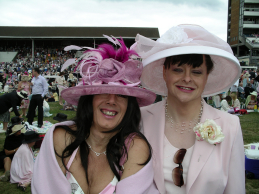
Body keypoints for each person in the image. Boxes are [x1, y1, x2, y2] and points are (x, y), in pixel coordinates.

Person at [32, 36, 159, 194]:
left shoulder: (134, 147)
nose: (112, 100)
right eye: (103, 92)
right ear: (90, 99)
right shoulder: (59, 138)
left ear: (129, 106)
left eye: (122, 95)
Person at [134, 25, 245, 193]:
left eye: (197, 72)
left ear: (207, 76)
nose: (187, 78)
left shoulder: (230, 126)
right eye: (178, 70)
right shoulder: (141, 118)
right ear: (165, 72)